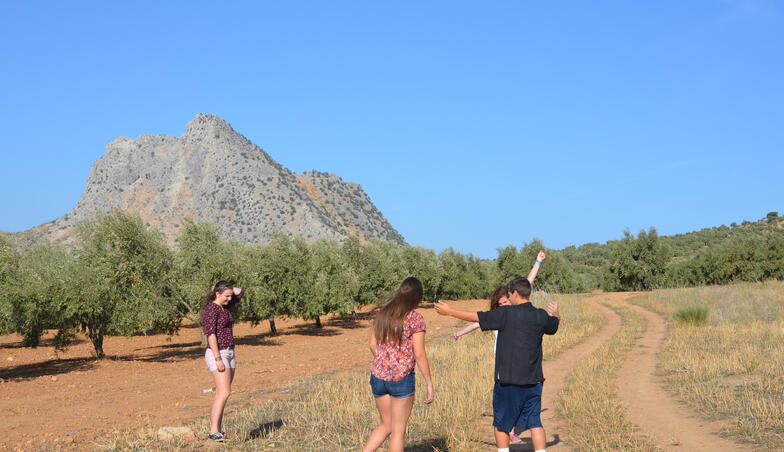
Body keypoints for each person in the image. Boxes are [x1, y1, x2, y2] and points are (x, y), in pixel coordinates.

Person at [435, 276, 560, 452]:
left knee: (502, 424)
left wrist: (450, 311)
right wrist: (556, 313)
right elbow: (554, 324)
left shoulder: (506, 314)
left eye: (509, 295)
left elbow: (477, 317)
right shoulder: (540, 315)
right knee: (535, 423)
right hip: (534, 382)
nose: (508, 298)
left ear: (515, 293)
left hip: (508, 382)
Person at [450, 250, 545, 444]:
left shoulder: (513, 310)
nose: (504, 305)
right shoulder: (498, 316)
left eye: (506, 301)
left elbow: (527, 283)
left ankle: (508, 433)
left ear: (512, 297)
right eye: (500, 303)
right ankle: (510, 431)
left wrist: (538, 262)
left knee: (508, 402)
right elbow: (475, 323)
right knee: (513, 404)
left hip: (515, 368)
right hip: (503, 364)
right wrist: (459, 333)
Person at [362, 277, 435, 452]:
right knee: (398, 431)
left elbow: (372, 345)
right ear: (417, 296)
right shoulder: (415, 318)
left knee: (386, 425)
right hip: (401, 379)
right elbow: (419, 353)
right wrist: (429, 383)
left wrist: (385, 362)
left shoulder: (383, 314)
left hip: (378, 377)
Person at [202, 280, 244, 442]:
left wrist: (226, 288)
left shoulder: (224, 307)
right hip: (218, 353)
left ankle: (217, 430)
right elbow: (211, 334)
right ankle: (213, 432)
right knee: (224, 392)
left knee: (223, 392)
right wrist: (218, 358)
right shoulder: (211, 309)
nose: (229, 298)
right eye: (226, 296)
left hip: (230, 352)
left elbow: (241, 292)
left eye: (230, 296)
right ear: (217, 294)